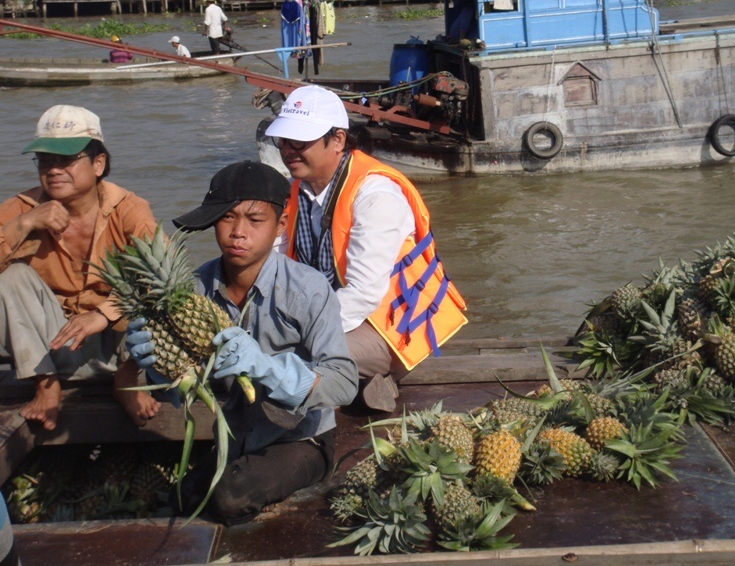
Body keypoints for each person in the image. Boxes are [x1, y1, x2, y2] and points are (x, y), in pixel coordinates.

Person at [125, 160, 358, 525]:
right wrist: (156, 366)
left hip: (301, 439)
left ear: (281, 224)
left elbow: (343, 382)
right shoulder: (194, 291)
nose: (238, 232)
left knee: (230, 499)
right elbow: (181, 392)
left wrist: (268, 369)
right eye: (227, 218)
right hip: (234, 441)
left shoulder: (308, 288)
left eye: (255, 219)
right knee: (182, 499)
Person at [264, 85, 468, 412]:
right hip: (336, 313)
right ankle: (365, 386)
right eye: (283, 141)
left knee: (296, 358)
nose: (289, 151)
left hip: (394, 324)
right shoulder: (296, 191)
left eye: (300, 142)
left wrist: (295, 334)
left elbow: (363, 294)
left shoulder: (376, 196)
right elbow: (273, 262)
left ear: (338, 140)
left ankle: (349, 392)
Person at [0, 105, 157, 431]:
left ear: (98, 164)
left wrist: (103, 314)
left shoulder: (129, 209)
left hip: (118, 349)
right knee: (10, 276)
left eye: (66, 159)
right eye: (45, 160)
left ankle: (127, 380)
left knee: (153, 277)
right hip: (49, 351)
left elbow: (163, 275)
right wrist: (26, 224)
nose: (54, 170)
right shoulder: (20, 209)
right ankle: (46, 386)